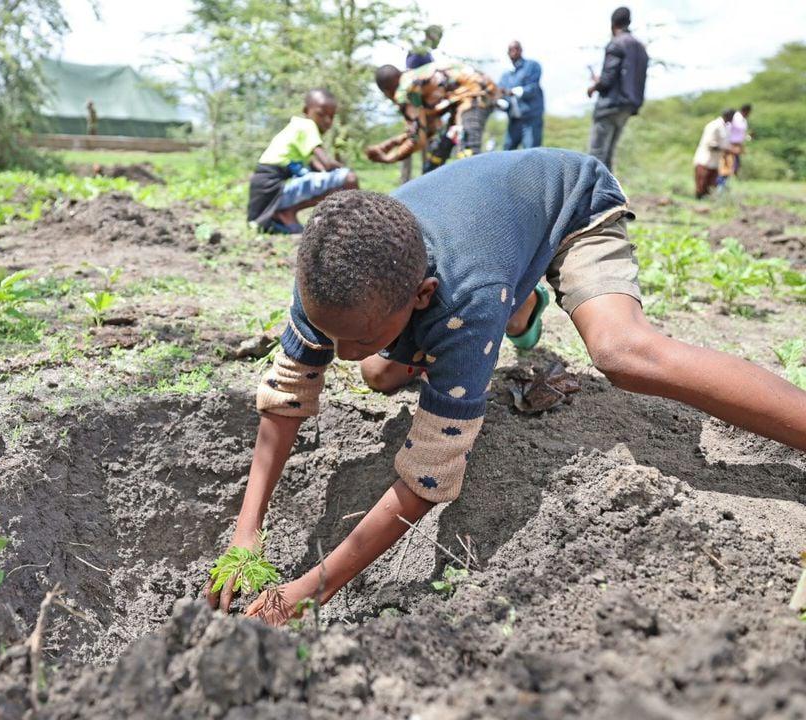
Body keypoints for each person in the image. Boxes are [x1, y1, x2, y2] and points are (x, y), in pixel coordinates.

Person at [206, 148, 806, 625]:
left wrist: (312, 589)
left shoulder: (464, 298)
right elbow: (287, 397)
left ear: (422, 296)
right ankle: (520, 308)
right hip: (489, 236)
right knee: (377, 373)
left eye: (358, 335)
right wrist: (246, 534)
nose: (338, 350)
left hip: (568, 202)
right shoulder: (328, 277)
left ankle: (518, 298)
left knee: (623, 353)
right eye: (331, 333)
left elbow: (429, 475)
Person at [247, 89, 358, 234]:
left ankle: (286, 212)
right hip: (275, 191)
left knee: (333, 180)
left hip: (266, 195)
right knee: (349, 178)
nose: (327, 121)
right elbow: (327, 164)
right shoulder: (307, 125)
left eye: (331, 117)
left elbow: (318, 168)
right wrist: (343, 167)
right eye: (321, 114)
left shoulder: (296, 128)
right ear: (306, 111)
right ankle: (355, 226)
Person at [367, 62, 500, 173]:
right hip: (463, 99)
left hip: (476, 93)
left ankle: (481, 191)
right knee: (437, 155)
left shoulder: (404, 91)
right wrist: (387, 145)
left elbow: (417, 140)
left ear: (387, 92)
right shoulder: (414, 81)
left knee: (468, 152)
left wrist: (388, 158)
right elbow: (422, 130)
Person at [587, 6, 649, 171]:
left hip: (610, 106)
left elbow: (607, 79)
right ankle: (608, 187)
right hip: (628, 106)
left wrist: (594, 86)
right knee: (608, 155)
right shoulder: (640, 47)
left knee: (596, 155)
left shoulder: (616, 43)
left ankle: (593, 188)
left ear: (613, 24)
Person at [499, 41, 544, 150]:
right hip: (514, 119)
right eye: (510, 50)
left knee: (531, 150)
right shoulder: (506, 74)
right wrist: (500, 102)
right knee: (507, 150)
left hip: (531, 118)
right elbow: (501, 93)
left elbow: (532, 88)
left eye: (515, 49)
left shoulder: (532, 66)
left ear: (521, 50)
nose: (513, 52)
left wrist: (512, 92)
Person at [694, 108, 735, 199]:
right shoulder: (714, 125)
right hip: (705, 160)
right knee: (701, 186)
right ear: (729, 116)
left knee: (711, 187)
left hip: (715, 162)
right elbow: (710, 144)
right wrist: (726, 150)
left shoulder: (725, 127)